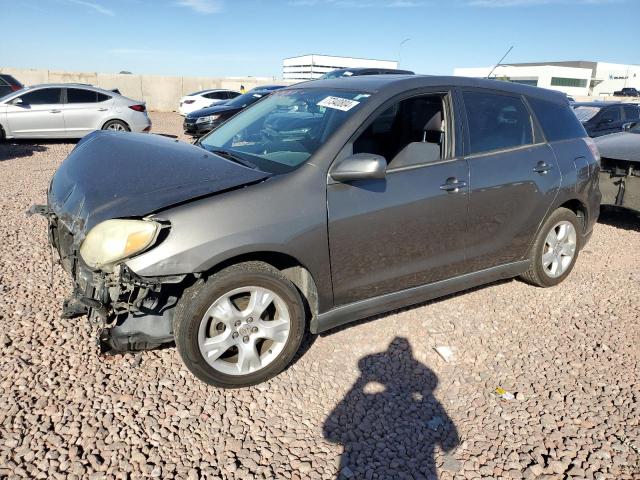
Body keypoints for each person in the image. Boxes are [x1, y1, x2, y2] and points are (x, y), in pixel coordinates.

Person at [323, 337, 459, 478]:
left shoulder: (369, 399)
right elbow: (451, 442)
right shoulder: (421, 401)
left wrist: (359, 384)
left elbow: (329, 433)